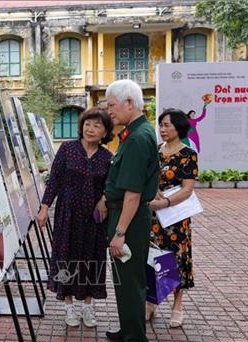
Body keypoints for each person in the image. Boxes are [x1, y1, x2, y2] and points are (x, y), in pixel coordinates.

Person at [37, 107, 113, 328]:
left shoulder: (107, 157)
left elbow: (111, 185)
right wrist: (44, 207)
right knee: (65, 256)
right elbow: (55, 181)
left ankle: (87, 307)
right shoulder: (68, 149)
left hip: (94, 218)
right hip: (67, 214)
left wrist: (105, 198)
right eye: (88, 124)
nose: (90, 129)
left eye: (97, 125)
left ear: (105, 131)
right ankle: (69, 307)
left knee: (92, 258)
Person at [99, 79, 159, 341]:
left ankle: (135, 336)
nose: (108, 110)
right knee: (125, 279)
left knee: (131, 279)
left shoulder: (137, 138)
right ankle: (128, 329)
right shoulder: (134, 133)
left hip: (128, 219)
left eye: (111, 105)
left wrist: (120, 232)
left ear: (130, 103)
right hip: (124, 215)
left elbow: (133, 195)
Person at [146, 108, 198, 328]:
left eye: (167, 125)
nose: (163, 129)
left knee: (176, 259)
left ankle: (178, 306)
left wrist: (165, 202)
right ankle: (152, 303)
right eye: (161, 125)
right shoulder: (156, 151)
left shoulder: (188, 154)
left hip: (176, 217)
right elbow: (147, 178)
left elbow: (187, 189)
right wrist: (152, 192)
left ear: (179, 127)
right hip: (153, 217)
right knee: (153, 257)